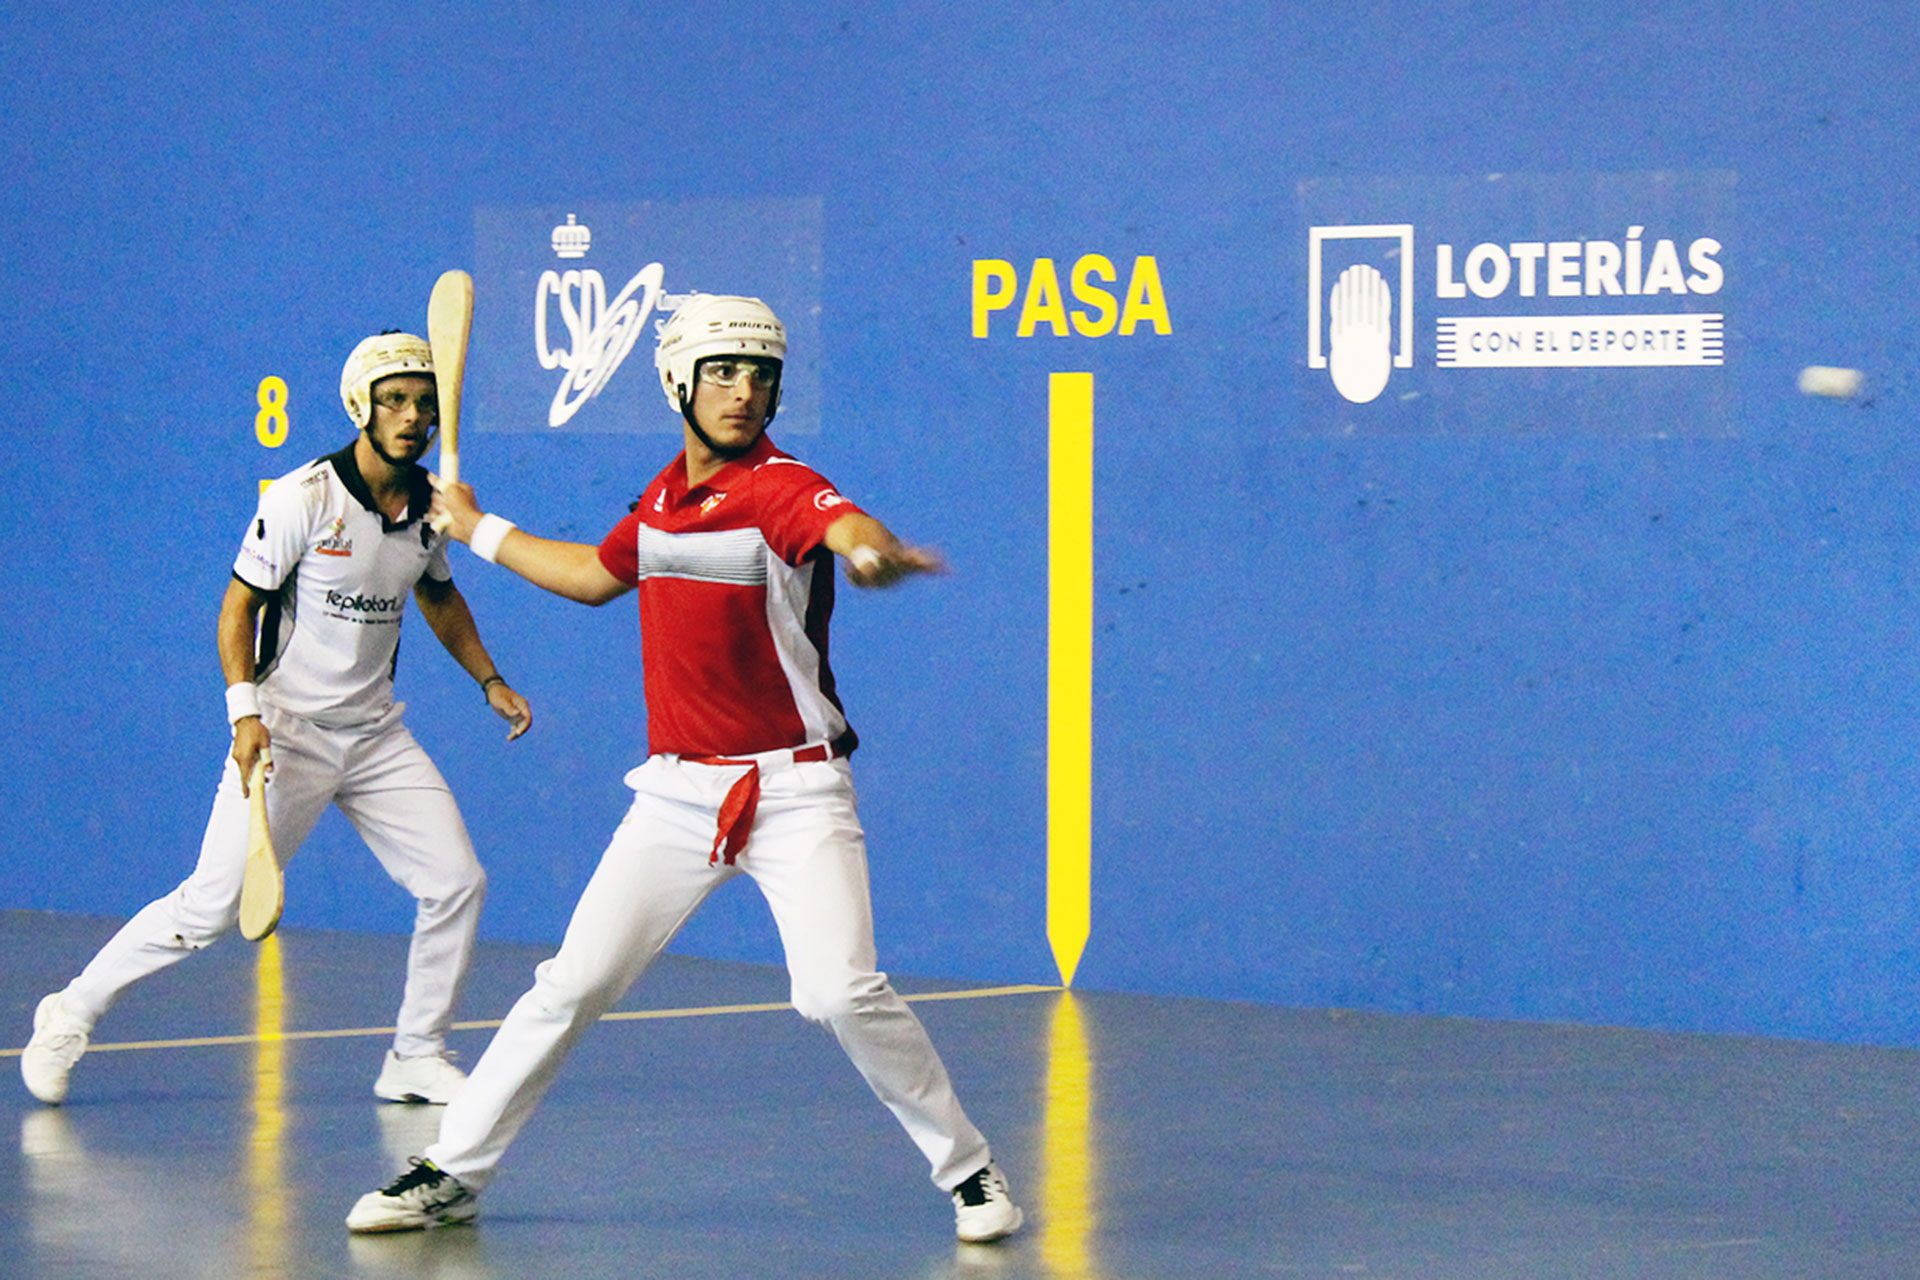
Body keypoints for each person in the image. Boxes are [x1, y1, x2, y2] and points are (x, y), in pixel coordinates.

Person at [345, 294, 1023, 1244]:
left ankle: (972, 1171)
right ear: (679, 384)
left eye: (761, 375)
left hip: (795, 787)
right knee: (571, 983)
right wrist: (479, 528)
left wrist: (871, 555)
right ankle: (451, 1170)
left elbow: (844, 528)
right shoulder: (662, 500)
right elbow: (592, 577)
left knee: (839, 992)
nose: (744, 393)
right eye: (722, 373)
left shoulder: (785, 487)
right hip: (676, 790)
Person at [20, 331, 533, 1108]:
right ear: (361, 407)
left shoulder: (435, 511)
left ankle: (415, 1055)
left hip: (375, 737)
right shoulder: (302, 498)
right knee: (209, 910)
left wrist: (488, 678)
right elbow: (238, 609)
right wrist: (244, 714)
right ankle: (69, 1012)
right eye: (395, 400)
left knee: (457, 882)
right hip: (287, 732)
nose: (413, 416)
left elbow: (436, 594)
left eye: (426, 403)